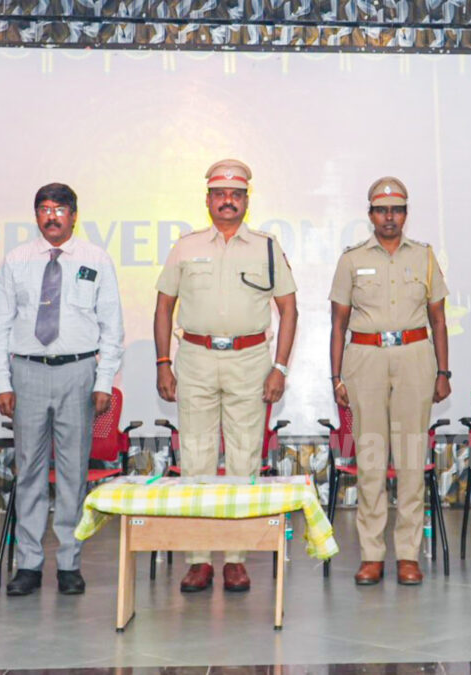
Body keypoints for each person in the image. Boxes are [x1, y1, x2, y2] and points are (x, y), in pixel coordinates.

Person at [154, 159, 298, 594]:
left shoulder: (267, 247)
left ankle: (235, 558)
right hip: (195, 357)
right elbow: (164, 306)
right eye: (219, 194)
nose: (227, 201)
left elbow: (289, 309)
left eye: (235, 195)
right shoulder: (186, 246)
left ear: (246, 200)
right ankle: (199, 559)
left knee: (243, 460)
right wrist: (164, 362)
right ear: (208, 200)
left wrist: (280, 366)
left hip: (250, 359)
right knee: (195, 460)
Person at [0, 183, 124, 596]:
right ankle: (28, 564)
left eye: (60, 209)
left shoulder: (96, 259)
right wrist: (1, 382)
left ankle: (69, 563)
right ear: (36, 215)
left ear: (74, 215)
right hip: (27, 371)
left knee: (71, 472)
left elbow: (112, 327)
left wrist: (104, 381)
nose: (52, 216)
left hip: (78, 372)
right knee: (28, 469)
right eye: (44, 209)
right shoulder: (16, 260)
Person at [329, 177, 451, 586]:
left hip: (416, 356)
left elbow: (438, 318)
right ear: (370, 215)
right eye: (382, 210)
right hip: (365, 358)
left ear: (405, 214)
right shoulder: (351, 260)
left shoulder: (426, 257)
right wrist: (336, 376)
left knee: (412, 459)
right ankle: (372, 554)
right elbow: (338, 323)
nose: (389, 218)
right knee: (371, 460)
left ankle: (408, 555)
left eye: (397, 210)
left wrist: (443, 371)